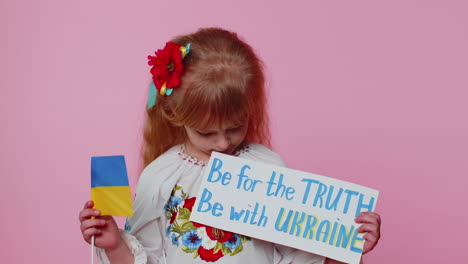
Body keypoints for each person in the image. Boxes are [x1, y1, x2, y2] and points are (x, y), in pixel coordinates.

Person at [79, 27, 381, 264]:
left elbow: (296, 256)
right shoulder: (161, 176)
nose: (223, 143)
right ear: (173, 113)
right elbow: (151, 257)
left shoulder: (267, 167)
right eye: (206, 133)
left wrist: (343, 249)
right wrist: (116, 245)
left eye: (235, 127)